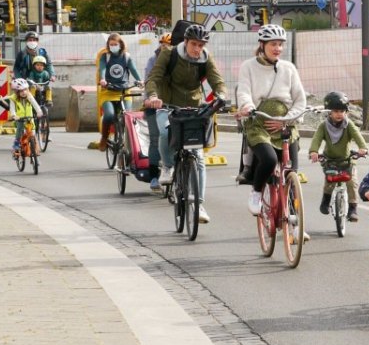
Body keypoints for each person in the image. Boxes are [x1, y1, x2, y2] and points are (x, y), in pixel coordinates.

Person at [144, 23, 226, 218]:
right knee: (164, 132)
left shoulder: (206, 58)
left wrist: (221, 94)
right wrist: (153, 96)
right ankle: (167, 166)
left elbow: (217, 80)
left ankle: (199, 205)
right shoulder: (169, 54)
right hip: (167, 105)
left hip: (194, 108)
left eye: (201, 45)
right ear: (186, 42)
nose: (198, 49)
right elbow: (153, 78)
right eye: (194, 44)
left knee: (198, 155)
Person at [236, 24, 308, 221]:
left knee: (291, 173)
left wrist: (287, 120)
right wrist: (248, 107)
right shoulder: (248, 66)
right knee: (268, 160)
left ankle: (294, 222)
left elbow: (300, 99)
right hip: (260, 123)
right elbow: (243, 91)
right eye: (273, 44)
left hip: (286, 124)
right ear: (262, 45)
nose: (277, 48)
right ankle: (257, 192)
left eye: (280, 44)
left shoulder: (289, 68)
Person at [309, 91, 367, 222]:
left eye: (342, 111)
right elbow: (316, 140)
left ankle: (353, 209)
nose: (339, 114)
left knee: (352, 183)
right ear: (329, 112)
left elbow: (358, 136)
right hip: (330, 160)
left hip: (347, 159)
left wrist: (362, 148)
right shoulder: (324, 126)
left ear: (346, 112)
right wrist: (313, 151)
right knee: (329, 181)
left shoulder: (349, 125)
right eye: (335, 111)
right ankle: (325, 200)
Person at [96, 33, 142, 150]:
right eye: (111, 45)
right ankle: (104, 138)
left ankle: (128, 143)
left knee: (127, 117)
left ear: (120, 44)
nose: (113, 46)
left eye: (115, 44)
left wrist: (139, 80)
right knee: (109, 115)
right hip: (108, 92)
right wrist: (102, 79)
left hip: (124, 92)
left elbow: (133, 69)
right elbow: (102, 68)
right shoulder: (105, 56)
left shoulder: (126, 57)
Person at [5, 77, 43, 158]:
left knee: (32, 133)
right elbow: (12, 109)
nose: (24, 92)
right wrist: (14, 115)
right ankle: (16, 145)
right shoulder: (13, 98)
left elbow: (35, 104)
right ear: (16, 91)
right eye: (21, 91)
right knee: (19, 131)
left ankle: (35, 148)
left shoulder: (29, 96)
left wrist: (39, 111)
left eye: (25, 89)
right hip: (20, 119)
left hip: (30, 118)